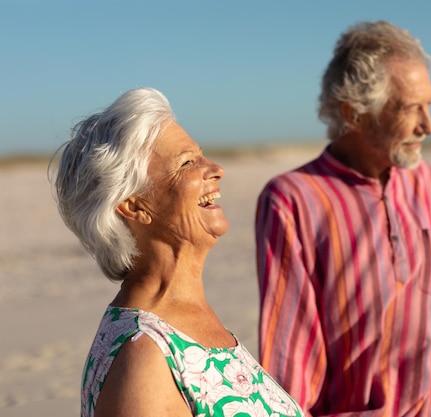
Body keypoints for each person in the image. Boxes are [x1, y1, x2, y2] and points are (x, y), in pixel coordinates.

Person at [255, 21, 431, 417]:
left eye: (429, 104)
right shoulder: (292, 200)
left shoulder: (423, 179)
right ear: (354, 113)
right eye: (410, 108)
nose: (429, 126)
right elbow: (291, 354)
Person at [51, 87, 305, 417]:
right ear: (133, 205)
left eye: (201, 155)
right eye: (187, 162)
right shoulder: (144, 358)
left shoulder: (182, 316)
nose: (215, 169)